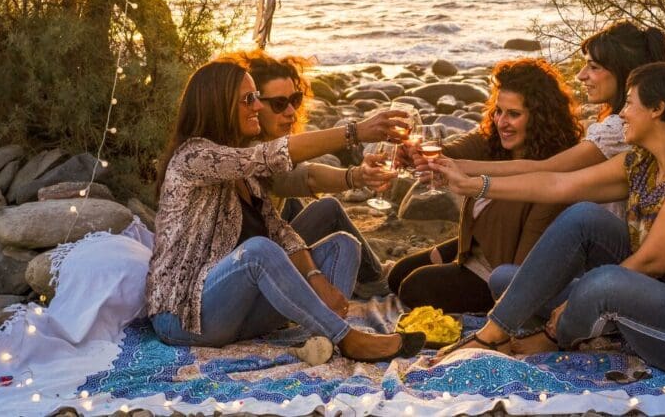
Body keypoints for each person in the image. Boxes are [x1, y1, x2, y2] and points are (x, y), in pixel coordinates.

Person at [431, 63, 665, 372]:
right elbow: (556, 184)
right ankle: (504, 329)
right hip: (660, 301)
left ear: (657, 109)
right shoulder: (641, 162)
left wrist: (569, 309)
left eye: (630, 104)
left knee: (601, 284)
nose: (621, 114)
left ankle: (522, 336)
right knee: (512, 273)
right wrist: (473, 184)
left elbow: (654, 261)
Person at [145, 58, 424, 362]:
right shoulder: (193, 157)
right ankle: (348, 338)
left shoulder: (246, 173)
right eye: (248, 100)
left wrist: (317, 278)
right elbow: (271, 156)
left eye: (256, 97)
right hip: (186, 317)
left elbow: (279, 231)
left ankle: (324, 334)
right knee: (257, 252)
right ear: (218, 104)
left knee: (343, 244)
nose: (257, 107)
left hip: (240, 316)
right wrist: (354, 132)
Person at [388, 58, 583, 313]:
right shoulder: (493, 141)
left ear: (540, 118)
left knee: (413, 286)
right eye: (498, 111)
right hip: (477, 248)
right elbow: (451, 152)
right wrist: (418, 154)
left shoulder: (554, 171)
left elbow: (526, 266)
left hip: (502, 269)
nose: (502, 122)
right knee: (396, 274)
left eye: (514, 114)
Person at [449, 21, 665, 220]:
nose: (581, 75)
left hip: (604, 240)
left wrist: (460, 170)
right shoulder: (628, 122)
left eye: (593, 67)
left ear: (623, 73)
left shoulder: (618, 129)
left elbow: (549, 172)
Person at [235, 49, 392, 298]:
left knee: (293, 205)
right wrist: (356, 138)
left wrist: (358, 175)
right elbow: (308, 177)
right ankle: (375, 280)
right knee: (328, 209)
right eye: (278, 104)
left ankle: (358, 273)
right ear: (253, 105)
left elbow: (298, 176)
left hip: (265, 251)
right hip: (250, 273)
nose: (290, 111)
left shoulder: (260, 144)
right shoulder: (247, 153)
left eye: (294, 100)